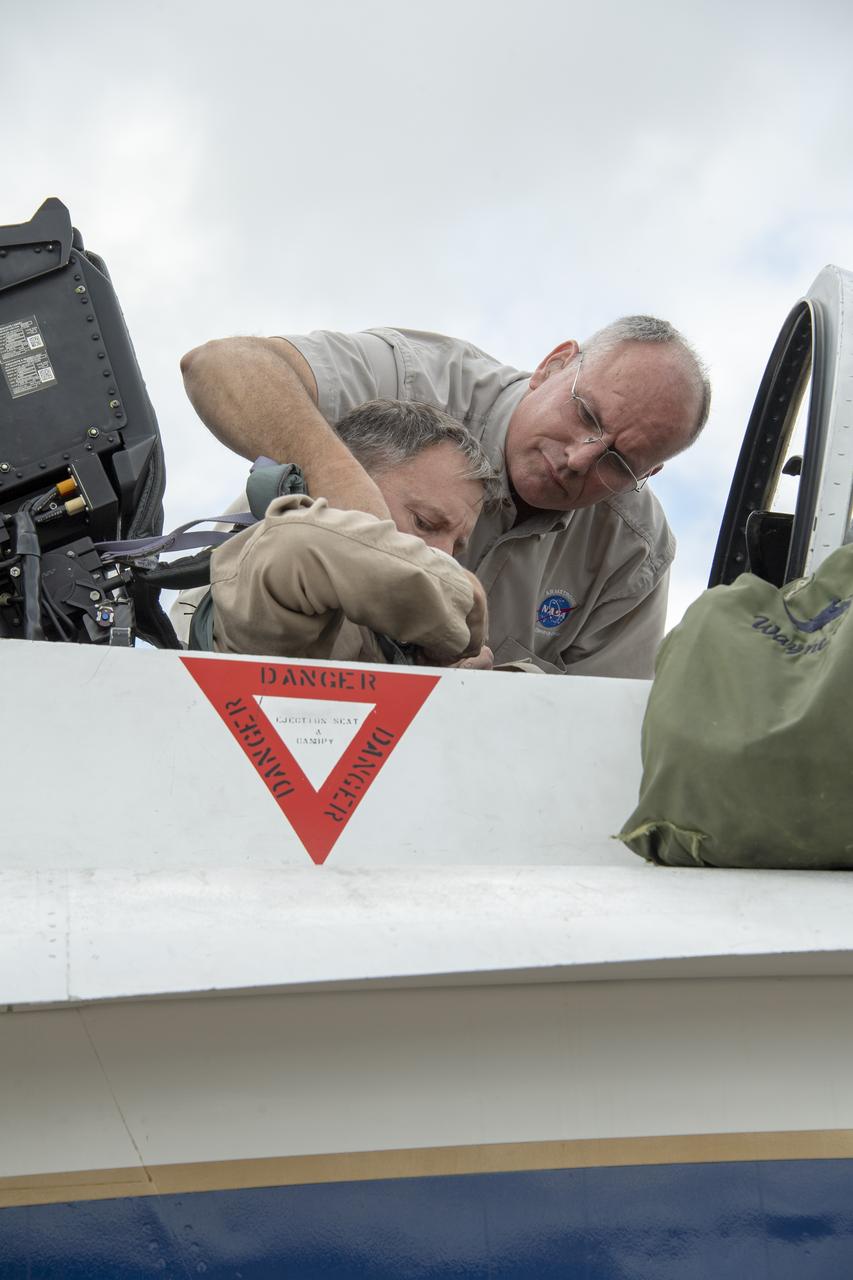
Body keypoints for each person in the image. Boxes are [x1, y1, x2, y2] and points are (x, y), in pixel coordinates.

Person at [180, 317, 711, 677]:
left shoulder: (633, 553)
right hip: (211, 678)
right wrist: (357, 508)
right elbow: (220, 367)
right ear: (552, 365)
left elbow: (597, 732)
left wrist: (492, 701)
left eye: (619, 462)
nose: (580, 457)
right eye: (586, 415)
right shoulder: (410, 378)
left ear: (651, 473)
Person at [191, 398, 502, 667]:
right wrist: (460, 609)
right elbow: (300, 545)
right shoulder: (270, 562)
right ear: (344, 485)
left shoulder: (399, 633)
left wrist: (459, 684)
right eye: (424, 522)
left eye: (457, 548)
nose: (443, 556)